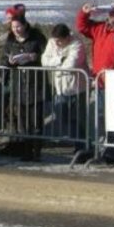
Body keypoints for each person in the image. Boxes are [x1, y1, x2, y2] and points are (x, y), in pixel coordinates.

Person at [1, 14, 48, 161]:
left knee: (36, 120)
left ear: (25, 25)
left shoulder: (37, 38)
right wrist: (9, 62)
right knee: (23, 121)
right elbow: (3, 60)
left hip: (35, 84)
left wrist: (35, 57)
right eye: (13, 27)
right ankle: (26, 151)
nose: (16, 30)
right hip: (18, 84)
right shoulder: (10, 41)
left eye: (18, 26)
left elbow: (47, 56)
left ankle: (37, 151)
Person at [41, 24, 91, 163]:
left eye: (60, 41)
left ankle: (82, 147)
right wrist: (60, 60)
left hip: (77, 88)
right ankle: (78, 143)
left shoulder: (77, 44)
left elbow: (71, 64)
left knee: (78, 119)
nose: (57, 43)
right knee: (63, 117)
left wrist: (57, 64)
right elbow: (44, 61)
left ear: (67, 37)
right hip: (60, 87)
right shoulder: (52, 42)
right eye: (55, 40)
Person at [77, 0, 114, 86]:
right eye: (110, 11)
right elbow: (82, 27)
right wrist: (84, 13)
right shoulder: (100, 28)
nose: (111, 14)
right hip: (98, 79)